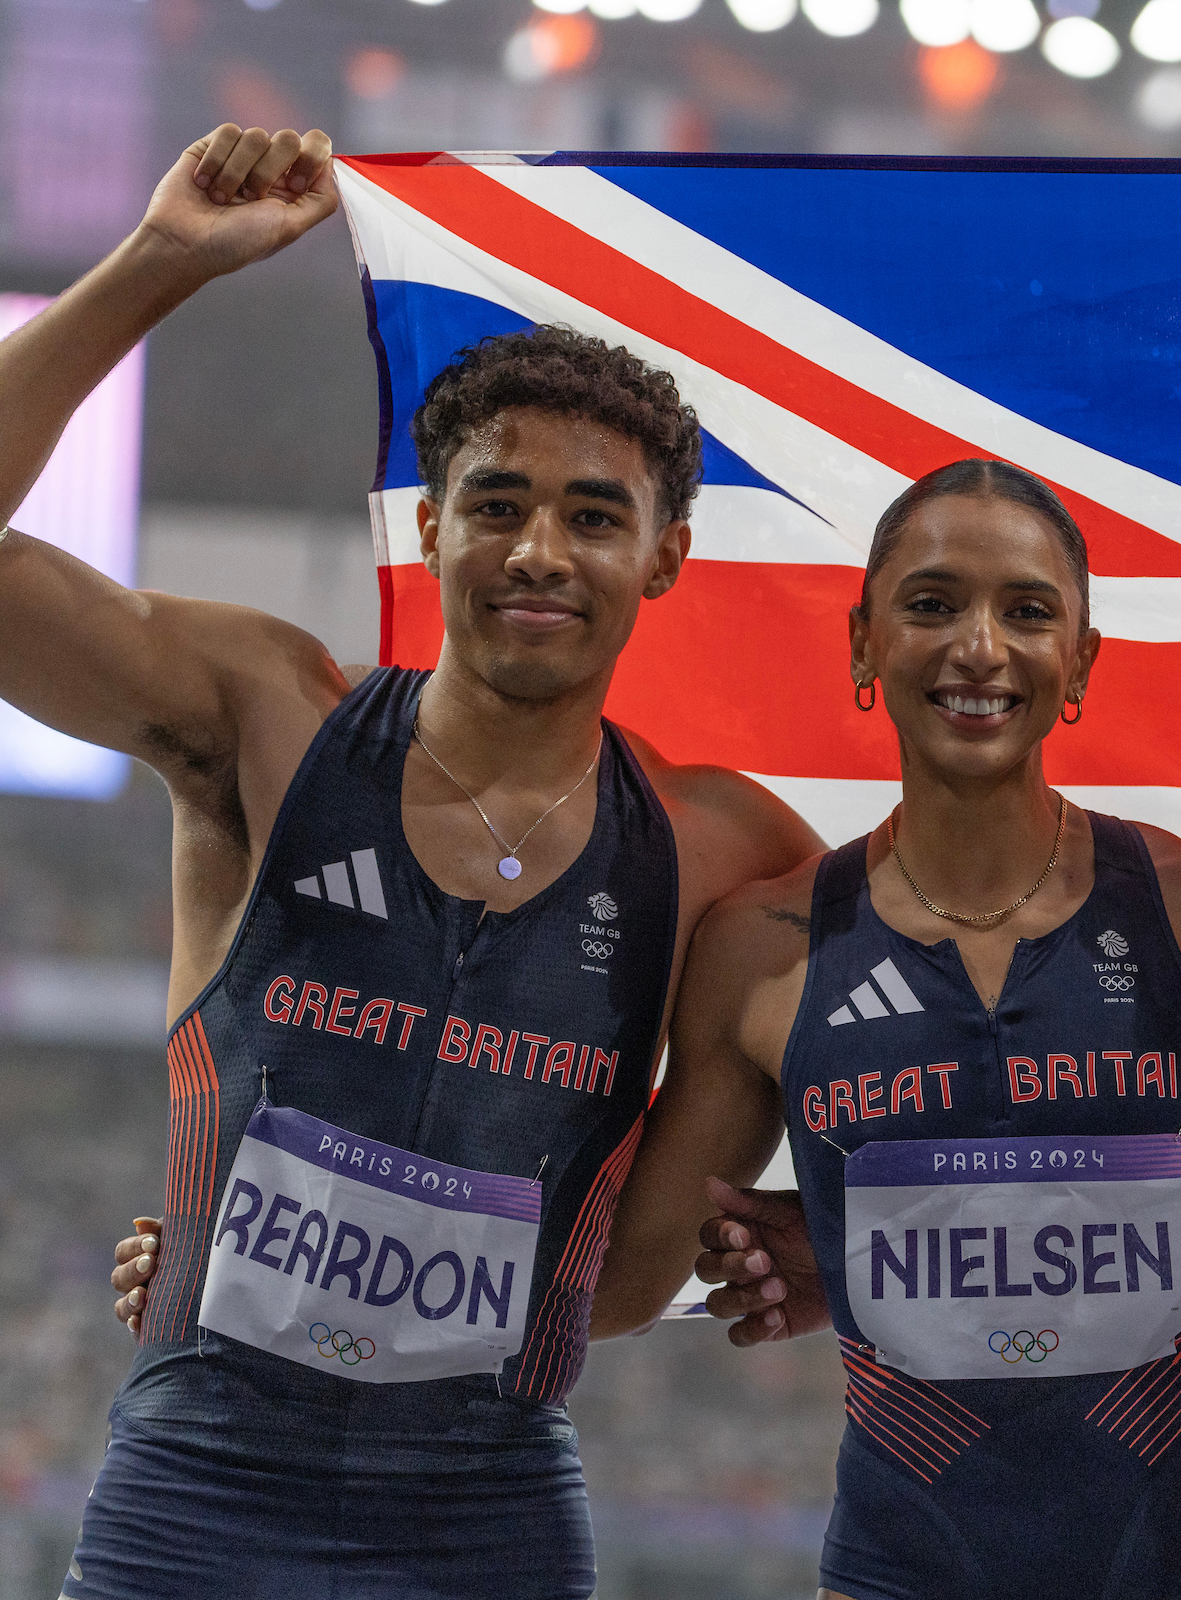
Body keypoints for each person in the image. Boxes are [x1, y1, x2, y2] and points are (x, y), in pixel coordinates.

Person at [18, 125, 820, 1598]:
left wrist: (835, 1233)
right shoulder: (267, 718)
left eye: (596, 516)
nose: (538, 551)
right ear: (430, 522)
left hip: (487, 1514)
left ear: (667, 557)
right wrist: (155, 266)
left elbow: (969, 1039)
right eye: (499, 504)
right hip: (197, 1489)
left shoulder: (725, 850)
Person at [615, 457, 1181, 1600]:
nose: (980, 648)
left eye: (1028, 611)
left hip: (1180, 1570)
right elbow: (615, 1291)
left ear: (1082, 659)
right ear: (863, 643)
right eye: (933, 603)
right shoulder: (765, 953)